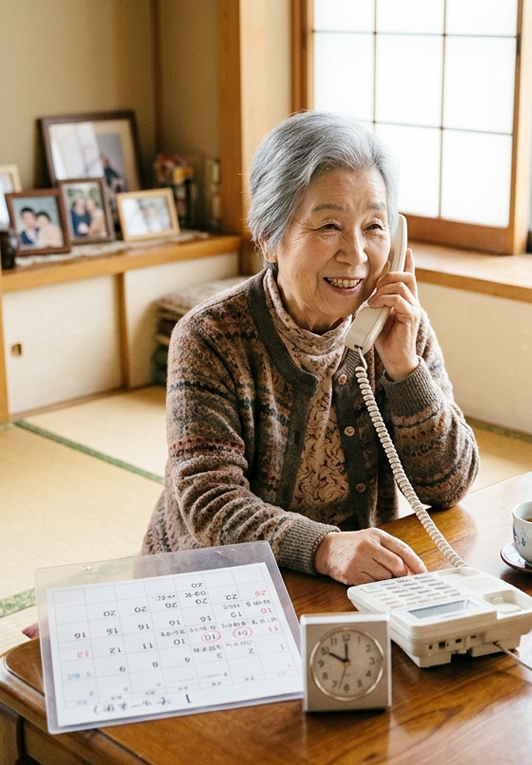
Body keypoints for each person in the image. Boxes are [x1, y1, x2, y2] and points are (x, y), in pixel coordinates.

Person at [142, 111, 480, 585]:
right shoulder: (210, 336)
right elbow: (211, 501)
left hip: (350, 583)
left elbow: (450, 484)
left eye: (375, 226)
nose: (357, 254)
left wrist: (405, 369)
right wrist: (322, 547)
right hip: (211, 582)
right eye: (328, 226)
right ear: (269, 238)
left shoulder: (397, 325)